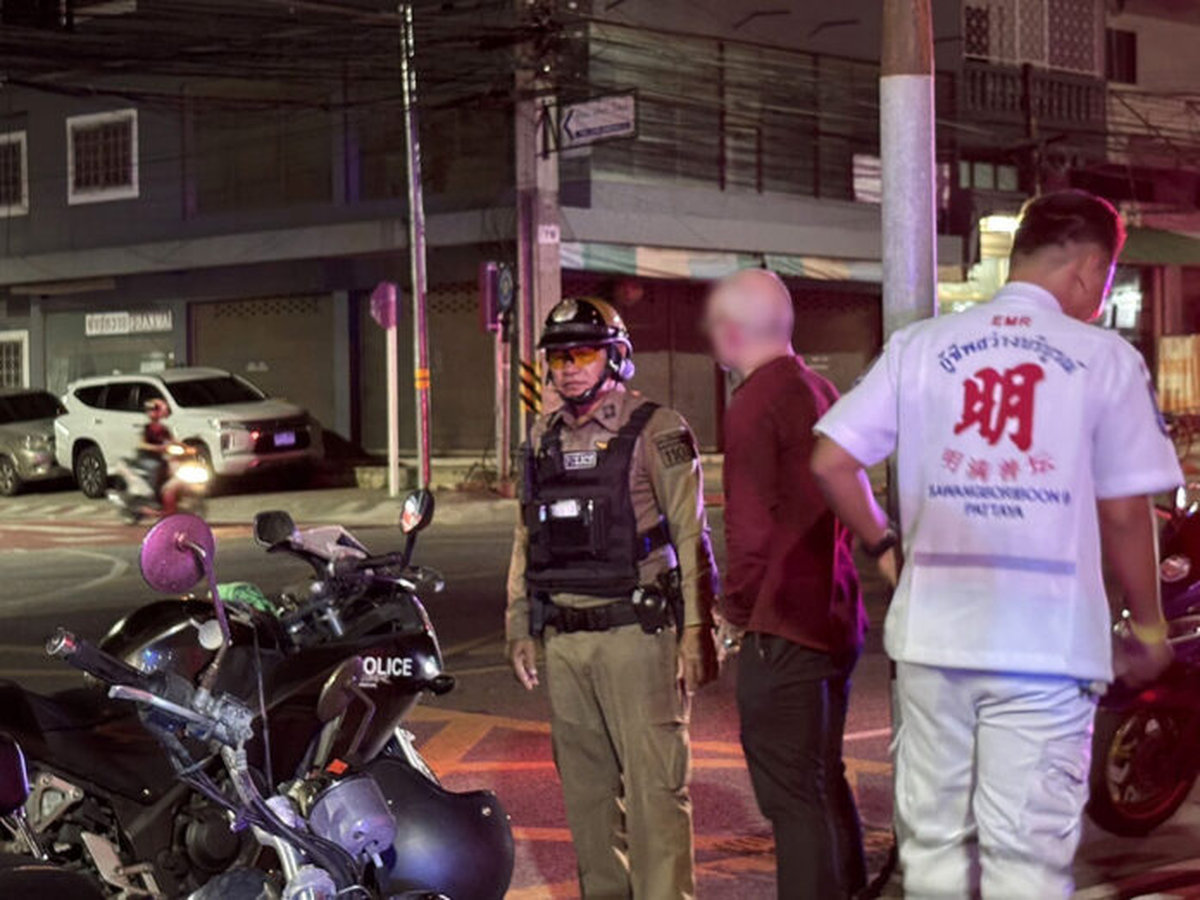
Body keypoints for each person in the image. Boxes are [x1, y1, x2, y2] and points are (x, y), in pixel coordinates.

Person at [811, 190, 1183, 898]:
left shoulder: (921, 347)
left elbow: (831, 458)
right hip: (1043, 647)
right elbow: (1128, 514)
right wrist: (1149, 624)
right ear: (1084, 271)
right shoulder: (1103, 359)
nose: (1099, 303)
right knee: (1026, 860)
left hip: (932, 640)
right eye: (1102, 285)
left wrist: (886, 547)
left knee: (934, 850)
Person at [506, 297, 719, 899]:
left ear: (615, 358)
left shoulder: (658, 429)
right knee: (588, 802)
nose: (569, 367)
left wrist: (697, 631)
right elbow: (526, 536)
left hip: (639, 636)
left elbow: (691, 534)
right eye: (558, 356)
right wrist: (519, 623)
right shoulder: (541, 437)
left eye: (583, 353)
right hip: (565, 641)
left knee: (656, 797)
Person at [704, 269, 868, 900]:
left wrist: (733, 615)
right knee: (824, 776)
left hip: (781, 623)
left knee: (791, 797)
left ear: (735, 329)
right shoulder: (820, 388)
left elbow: (749, 535)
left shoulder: (752, 405)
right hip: (834, 613)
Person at [138, 398, 180, 515]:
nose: (154, 413)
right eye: (152, 410)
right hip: (148, 458)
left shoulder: (164, 429)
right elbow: (142, 444)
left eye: (156, 410)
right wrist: (155, 448)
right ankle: (153, 499)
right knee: (156, 468)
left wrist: (187, 448)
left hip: (162, 457)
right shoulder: (147, 428)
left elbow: (173, 441)